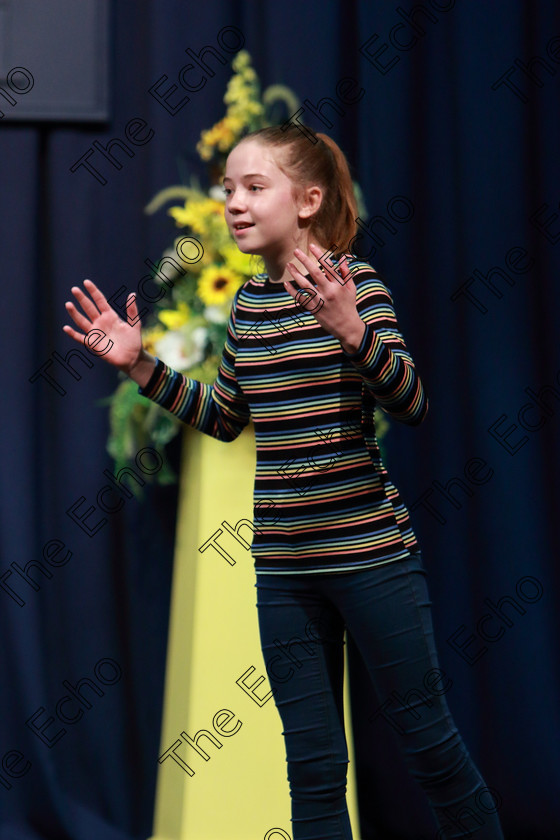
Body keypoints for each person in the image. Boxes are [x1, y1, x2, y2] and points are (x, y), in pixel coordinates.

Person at [63, 124, 504, 840]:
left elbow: (414, 403)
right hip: (285, 574)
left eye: (253, 187)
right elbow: (230, 415)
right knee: (314, 769)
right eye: (228, 189)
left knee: (430, 748)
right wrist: (143, 368)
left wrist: (353, 332)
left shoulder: (354, 286)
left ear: (309, 200)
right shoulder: (246, 304)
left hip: (371, 562)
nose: (233, 202)